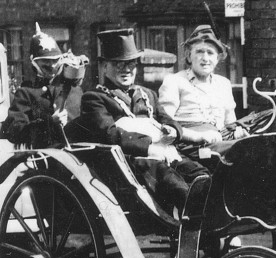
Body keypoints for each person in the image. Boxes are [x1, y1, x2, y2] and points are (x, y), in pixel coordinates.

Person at [68, 28, 210, 215]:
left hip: (166, 154)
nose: (126, 70)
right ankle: (189, 226)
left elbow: (167, 118)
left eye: (131, 64)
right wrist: (150, 147)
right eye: (118, 64)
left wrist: (173, 130)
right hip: (132, 163)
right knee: (177, 186)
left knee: (202, 177)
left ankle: (206, 225)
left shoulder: (147, 94)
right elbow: (110, 134)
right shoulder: (94, 98)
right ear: (104, 66)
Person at [158, 24, 247, 148]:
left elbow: (230, 123)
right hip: (189, 147)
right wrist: (197, 136)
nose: (205, 58)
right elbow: (164, 125)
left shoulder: (224, 84)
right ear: (189, 56)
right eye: (199, 51)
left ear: (218, 58)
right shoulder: (175, 81)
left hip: (220, 144)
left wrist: (238, 132)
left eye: (210, 53)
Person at [0, 24, 83, 148]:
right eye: (45, 60)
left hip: (80, 158)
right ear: (34, 62)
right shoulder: (25, 93)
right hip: (44, 161)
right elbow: (14, 131)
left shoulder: (74, 90)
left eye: (55, 60)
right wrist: (48, 123)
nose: (51, 65)